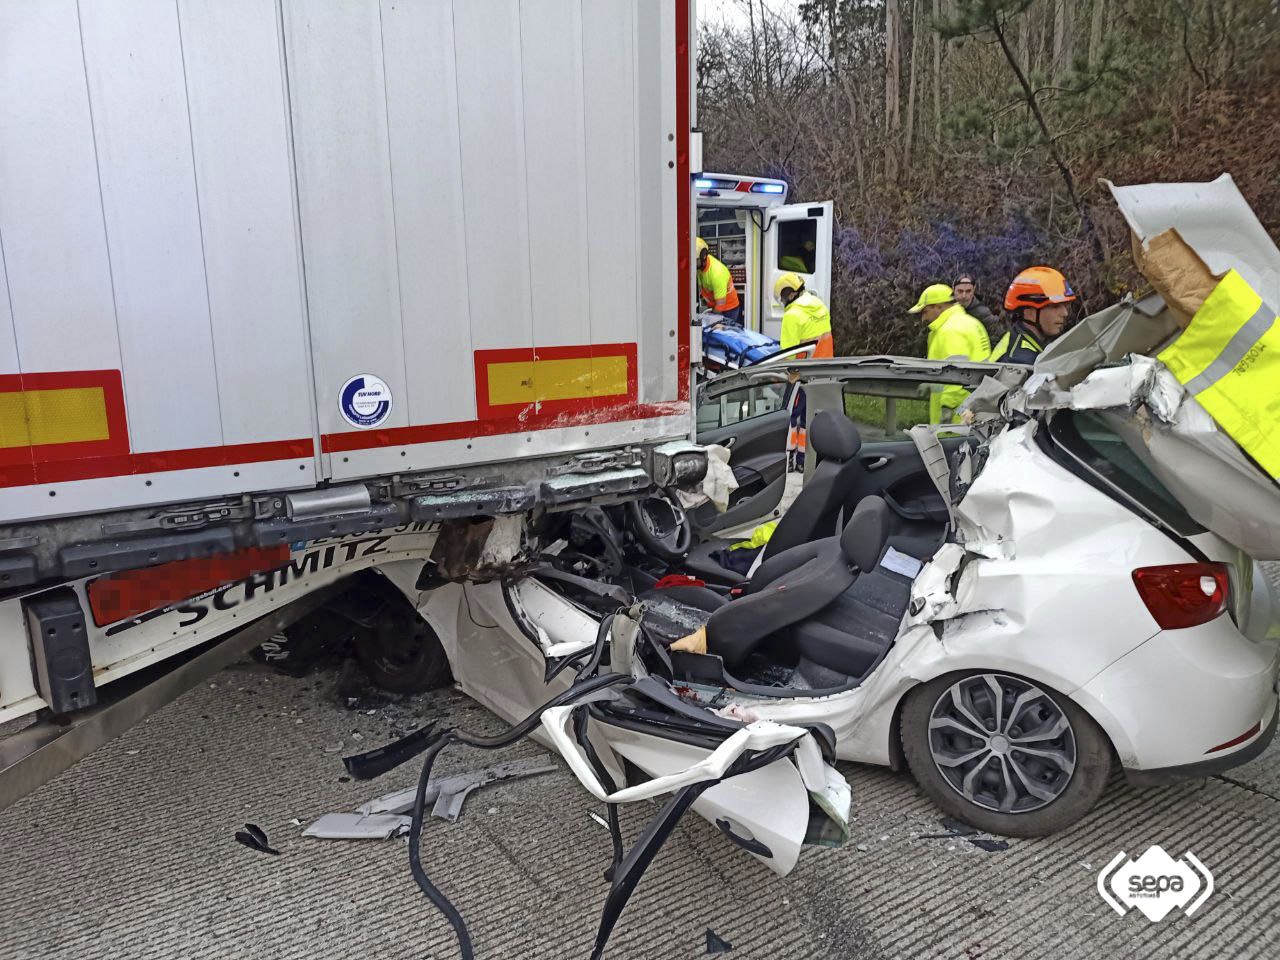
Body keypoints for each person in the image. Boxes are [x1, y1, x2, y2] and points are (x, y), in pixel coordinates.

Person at [909, 283, 990, 424]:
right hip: (974, 411)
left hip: (956, 419)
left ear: (938, 307)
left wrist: (947, 407)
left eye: (925, 311)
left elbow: (957, 373)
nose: (923, 318)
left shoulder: (950, 330)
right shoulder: (970, 323)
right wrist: (931, 384)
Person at [990, 266, 1076, 365]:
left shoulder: (1031, 341)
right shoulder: (1018, 361)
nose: (1065, 313)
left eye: (1065, 306)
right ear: (1029, 312)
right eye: (1055, 306)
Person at [774, 272, 834, 356]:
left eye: (782, 298)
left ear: (791, 296)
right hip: (827, 366)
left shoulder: (791, 316)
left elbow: (787, 356)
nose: (781, 302)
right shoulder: (821, 305)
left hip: (804, 367)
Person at [696, 237, 741, 323]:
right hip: (715, 306)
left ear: (703, 257)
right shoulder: (700, 266)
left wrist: (711, 320)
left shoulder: (717, 272)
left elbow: (720, 306)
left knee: (723, 333)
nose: (692, 263)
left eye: (695, 260)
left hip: (728, 310)